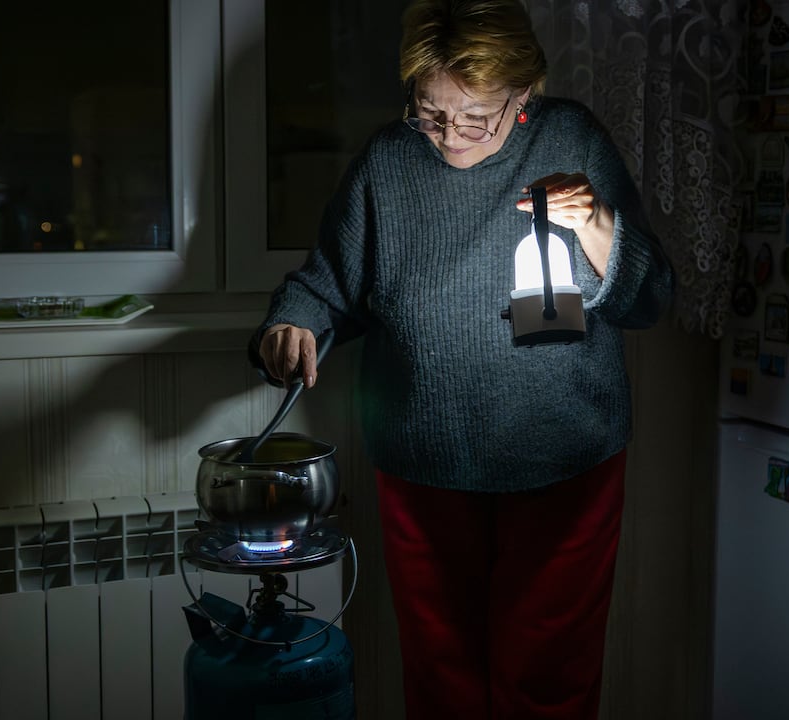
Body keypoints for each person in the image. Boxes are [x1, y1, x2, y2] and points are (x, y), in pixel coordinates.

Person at [247, 1, 673, 717]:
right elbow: (327, 285)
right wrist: (292, 323)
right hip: (425, 464)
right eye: (430, 113)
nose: (449, 136)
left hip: (565, 460)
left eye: (475, 117)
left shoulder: (571, 139)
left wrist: (600, 224)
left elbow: (650, 299)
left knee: (546, 680)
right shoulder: (388, 161)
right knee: (442, 681)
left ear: (524, 93)